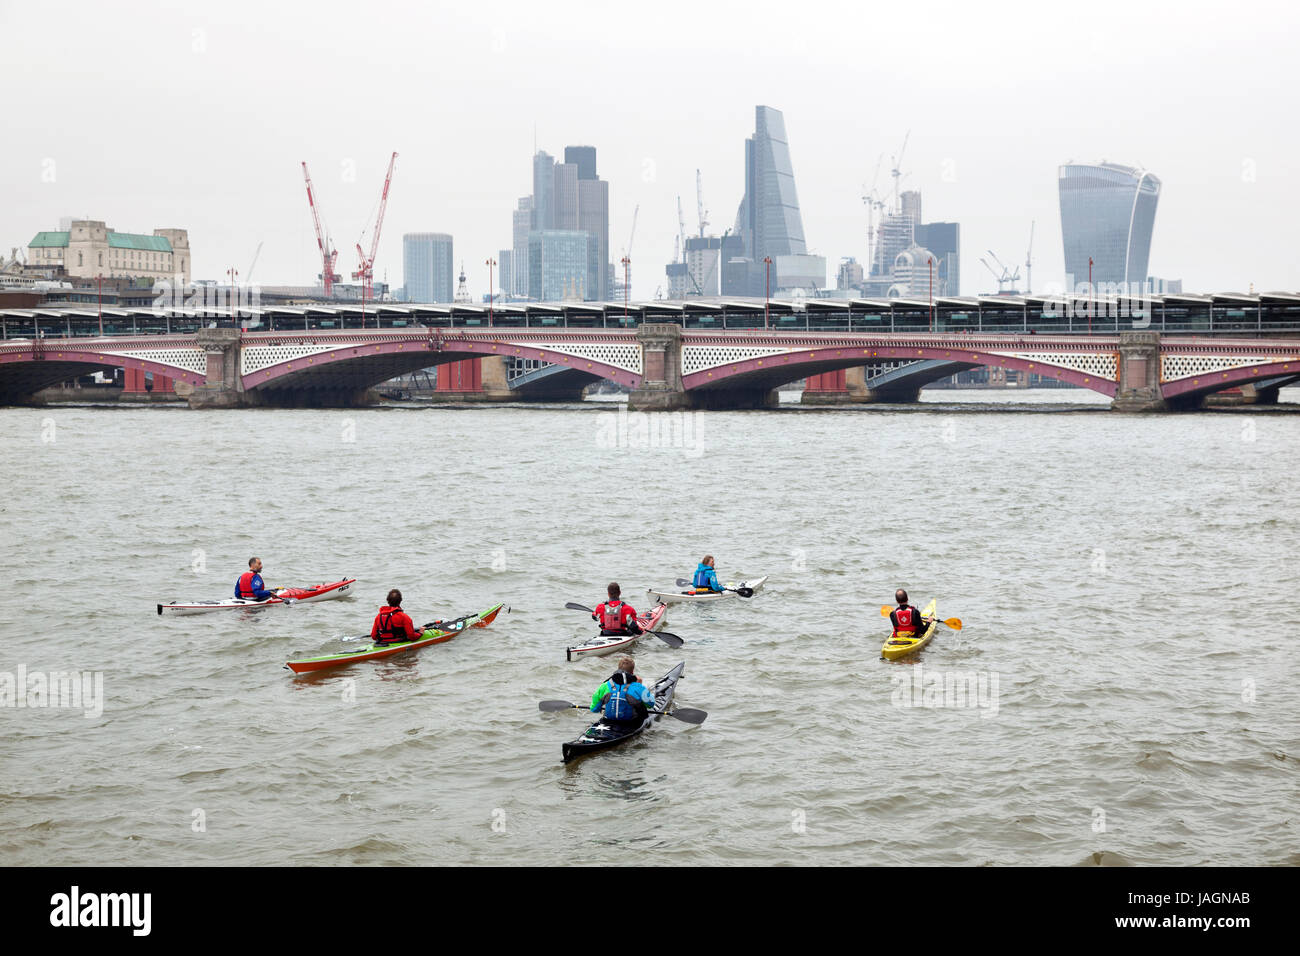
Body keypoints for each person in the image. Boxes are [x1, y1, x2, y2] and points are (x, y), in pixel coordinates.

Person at [590, 656, 656, 726]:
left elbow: (594, 709)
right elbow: (651, 704)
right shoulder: (638, 687)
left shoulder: (604, 686)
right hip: (631, 723)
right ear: (632, 671)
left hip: (608, 720)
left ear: (618, 669)